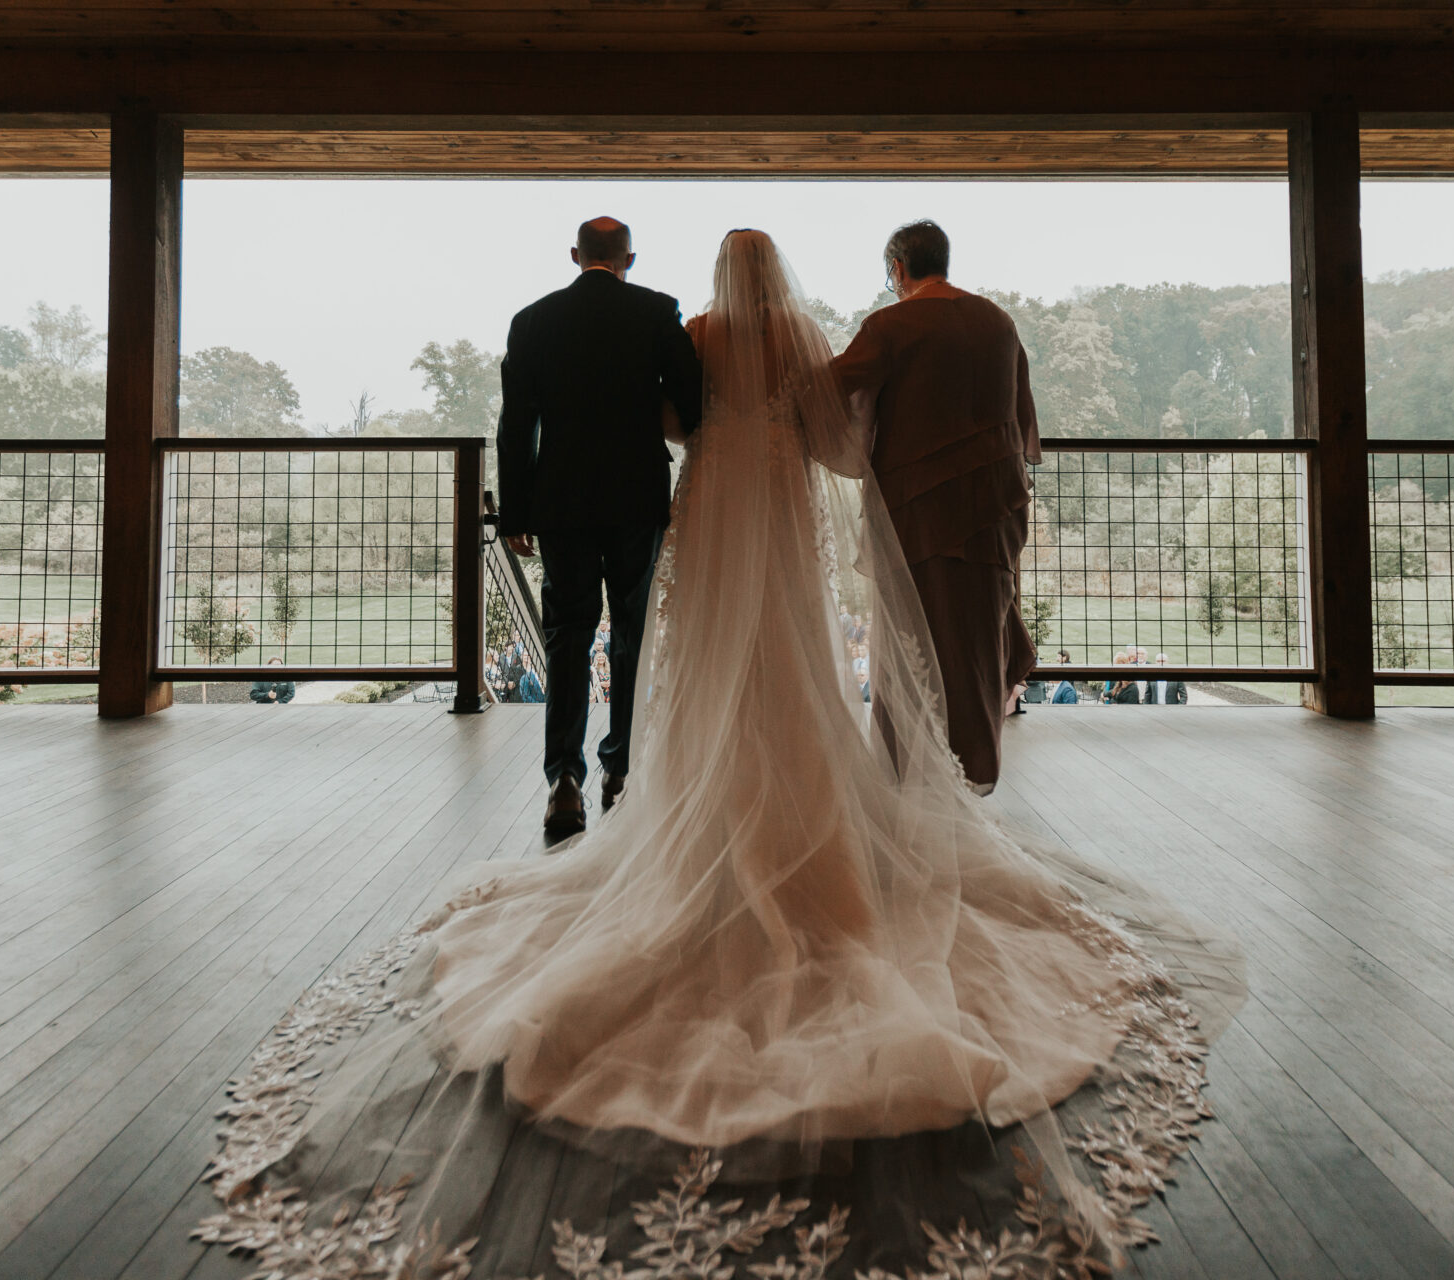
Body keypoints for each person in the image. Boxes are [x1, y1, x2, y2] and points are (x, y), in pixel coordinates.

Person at [215, 229, 1243, 1277]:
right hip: (782, 506)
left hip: (707, 504)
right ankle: (781, 799)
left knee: (688, 658)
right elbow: (830, 437)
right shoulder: (804, 334)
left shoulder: (690, 328)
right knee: (795, 659)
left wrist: (672, 439)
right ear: (779, 279)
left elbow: (674, 418)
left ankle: (622, 782)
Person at [496, 216, 703, 836]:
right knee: (631, 632)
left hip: (560, 502)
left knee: (567, 633)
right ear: (629, 260)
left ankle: (564, 779)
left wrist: (516, 510)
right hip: (637, 496)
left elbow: (516, 423)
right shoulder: (656, 311)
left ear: (574, 255)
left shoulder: (533, 319)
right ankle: (621, 769)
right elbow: (692, 404)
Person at [833, 220, 1039, 792]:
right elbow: (1021, 414)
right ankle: (973, 777)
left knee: (910, 641)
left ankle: (906, 779)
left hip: (917, 512)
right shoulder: (998, 322)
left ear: (898, 269)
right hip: (994, 510)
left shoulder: (892, 324)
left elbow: (834, 389)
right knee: (976, 638)